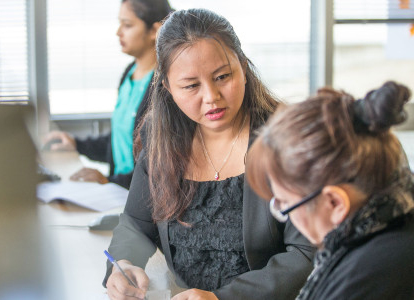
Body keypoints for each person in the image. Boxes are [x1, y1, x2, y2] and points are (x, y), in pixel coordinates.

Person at [103, 8, 315, 300]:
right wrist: (123, 265)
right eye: (191, 86)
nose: (211, 97)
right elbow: (135, 225)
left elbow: (307, 254)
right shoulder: (160, 136)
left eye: (223, 76)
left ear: (243, 67)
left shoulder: (288, 139)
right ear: (167, 87)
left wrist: (221, 298)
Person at [246, 81, 414, 300]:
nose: (282, 212)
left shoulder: (365, 279)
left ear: (335, 203)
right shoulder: (401, 209)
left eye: (285, 204)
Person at [42, 0, 173, 189]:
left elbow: (161, 168)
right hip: (119, 193)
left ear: (154, 31)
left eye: (127, 25)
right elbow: (120, 141)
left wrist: (108, 181)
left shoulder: (164, 86)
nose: (118, 32)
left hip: (140, 199)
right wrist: (76, 144)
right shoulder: (129, 74)